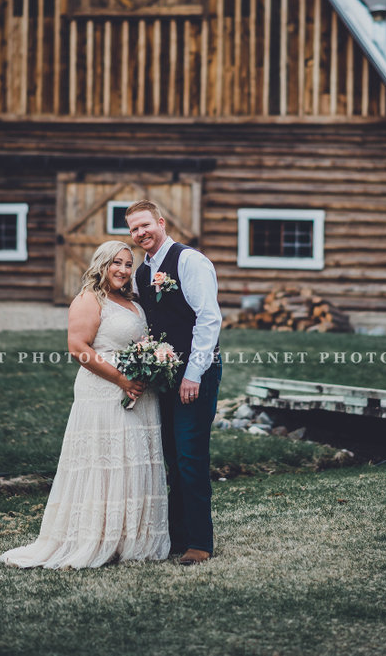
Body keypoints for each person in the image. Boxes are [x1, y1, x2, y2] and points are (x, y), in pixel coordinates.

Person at [0, 240, 170, 569]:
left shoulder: (132, 301)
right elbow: (78, 347)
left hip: (139, 392)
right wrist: (121, 380)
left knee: (132, 460)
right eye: (115, 263)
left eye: (128, 264)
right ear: (101, 265)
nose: (122, 269)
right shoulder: (89, 299)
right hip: (105, 391)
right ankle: (96, 538)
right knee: (106, 462)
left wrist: (150, 365)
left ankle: (129, 540)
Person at [126, 200, 222, 566]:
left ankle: (200, 542)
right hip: (163, 377)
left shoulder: (188, 261)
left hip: (196, 375)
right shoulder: (142, 271)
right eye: (134, 229)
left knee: (190, 455)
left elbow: (209, 319)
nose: (140, 234)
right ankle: (178, 536)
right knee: (171, 458)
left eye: (145, 225)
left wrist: (193, 374)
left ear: (161, 223)